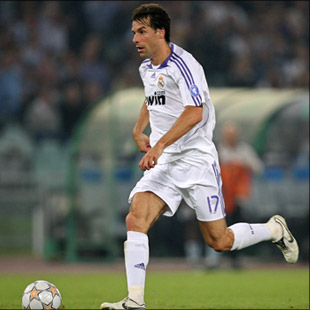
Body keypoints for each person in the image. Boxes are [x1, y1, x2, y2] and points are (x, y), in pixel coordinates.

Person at [100, 4, 299, 310]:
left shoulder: (185, 64)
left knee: (219, 241)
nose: (134, 39)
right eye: (133, 33)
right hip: (165, 162)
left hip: (196, 159)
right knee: (135, 218)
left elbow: (196, 112)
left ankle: (273, 229)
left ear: (159, 31)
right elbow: (152, 98)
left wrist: (158, 144)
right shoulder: (146, 68)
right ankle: (135, 300)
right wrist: (139, 129)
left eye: (141, 31)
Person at [218, 122, 264, 268]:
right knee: (222, 225)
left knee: (238, 222)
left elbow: (258, 167)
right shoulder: (219, 150)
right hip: (222, 195)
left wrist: (241, 164)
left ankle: (236, 256)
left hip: (239, 195)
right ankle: (223, 256)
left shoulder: (244, 150)